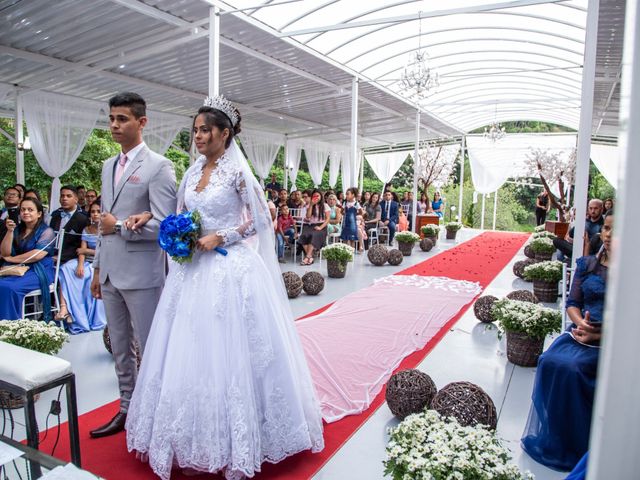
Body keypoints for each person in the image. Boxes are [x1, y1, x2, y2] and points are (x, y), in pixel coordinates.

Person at [125, 96, 324, 480]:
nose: (197, 136)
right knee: (187, 349)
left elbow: (262, 219)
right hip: (191, 272)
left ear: (225, 133)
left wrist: (224, 236)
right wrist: (166, 225)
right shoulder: (192, 170)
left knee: (231, 350)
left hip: (229, 271)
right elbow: (182, 212)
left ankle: (243, 436)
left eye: (204, 130)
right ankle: (187, 433)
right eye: (195, 130)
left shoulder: (236, 173)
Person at [89, 92, 177, 439]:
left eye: (122, 119)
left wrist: (122, 226)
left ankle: (156, 411)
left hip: (143, 275)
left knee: (151, 346)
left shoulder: (159, 166)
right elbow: (102, 225)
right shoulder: (108, 166)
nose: (114, 125)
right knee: (121, 348)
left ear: (142, 122)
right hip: (110, 271)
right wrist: (97, 268)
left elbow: (166, 226)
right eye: (111, 118)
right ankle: (127, 406)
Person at [522, 213, 613, 472]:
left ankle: (577, 442)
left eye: (614, 230)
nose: (607, 234)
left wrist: (600, 333)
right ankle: (555, 435)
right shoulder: (586, 264)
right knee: (549, 361)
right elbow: (573, 304)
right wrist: (581, 324)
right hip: (580, 332)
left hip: (610, 342)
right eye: (606, 228)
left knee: (572, 369)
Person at [0, 198, 56, 321]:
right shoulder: (17, 229)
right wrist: (10, 231)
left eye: (30, 210)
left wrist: (12, 259)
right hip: (17, 268)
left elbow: (37, 255)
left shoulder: (47, 231)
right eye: (23, 209)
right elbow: (4, 252)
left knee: (10, 288)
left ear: (39, 213)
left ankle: (11, 324)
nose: (26, 212)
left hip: (39, 270)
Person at [58, 201, 106, 334]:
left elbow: (106, 251)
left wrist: (87, 252)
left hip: (101, 263)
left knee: (89, 275)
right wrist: (80, 265)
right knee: (66, 268)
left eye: (98, 212)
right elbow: (81, 250)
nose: (95, 214)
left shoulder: (107, 230)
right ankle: (65, 308)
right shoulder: (86, 229)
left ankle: (87, 317)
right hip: (87, 261)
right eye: (93, 212)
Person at [49, 186, 89, 265]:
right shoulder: (55, 216)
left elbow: (82, 245)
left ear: (76, 199)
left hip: (72, 259)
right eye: (62, 196)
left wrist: (61, 257)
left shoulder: (83, 218)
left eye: (68, 196)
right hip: (52, 255)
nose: (64, 198)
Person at [299, 189, 330, 266]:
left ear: (321, 197)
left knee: (314, 235)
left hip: (321, 226)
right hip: (311, 225)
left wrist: (320, 227)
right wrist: (311, 205)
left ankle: (307, 257)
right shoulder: (310, 205)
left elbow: (328, 219)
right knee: (303, 235)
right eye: (314, 196)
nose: (316, 197)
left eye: (318, 196)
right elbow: (308, 216)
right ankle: (310, 257)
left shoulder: (325, 206)